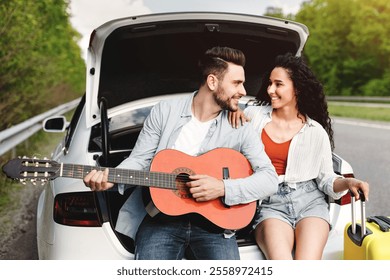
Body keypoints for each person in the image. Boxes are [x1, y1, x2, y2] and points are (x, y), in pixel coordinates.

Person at [83, 46, 278, 260]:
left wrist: (222, 187)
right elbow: (140, 160)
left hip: (215, 226)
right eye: (236, 83)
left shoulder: (240, 126)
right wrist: (111, 178)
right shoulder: (164, 112)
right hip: (160, 219)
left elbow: (269, 179)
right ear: (212, 82)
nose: (243, 90)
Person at [229, 53, 369, 260]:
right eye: (269, 83)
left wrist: (349, 182)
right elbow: (227, 152)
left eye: (278, 84)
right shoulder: (253, 117)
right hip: (269, 203)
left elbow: (326, 180)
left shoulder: (315, 131)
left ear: (298, 89)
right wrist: (231, 112)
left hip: (310, 201)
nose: (270, 90)